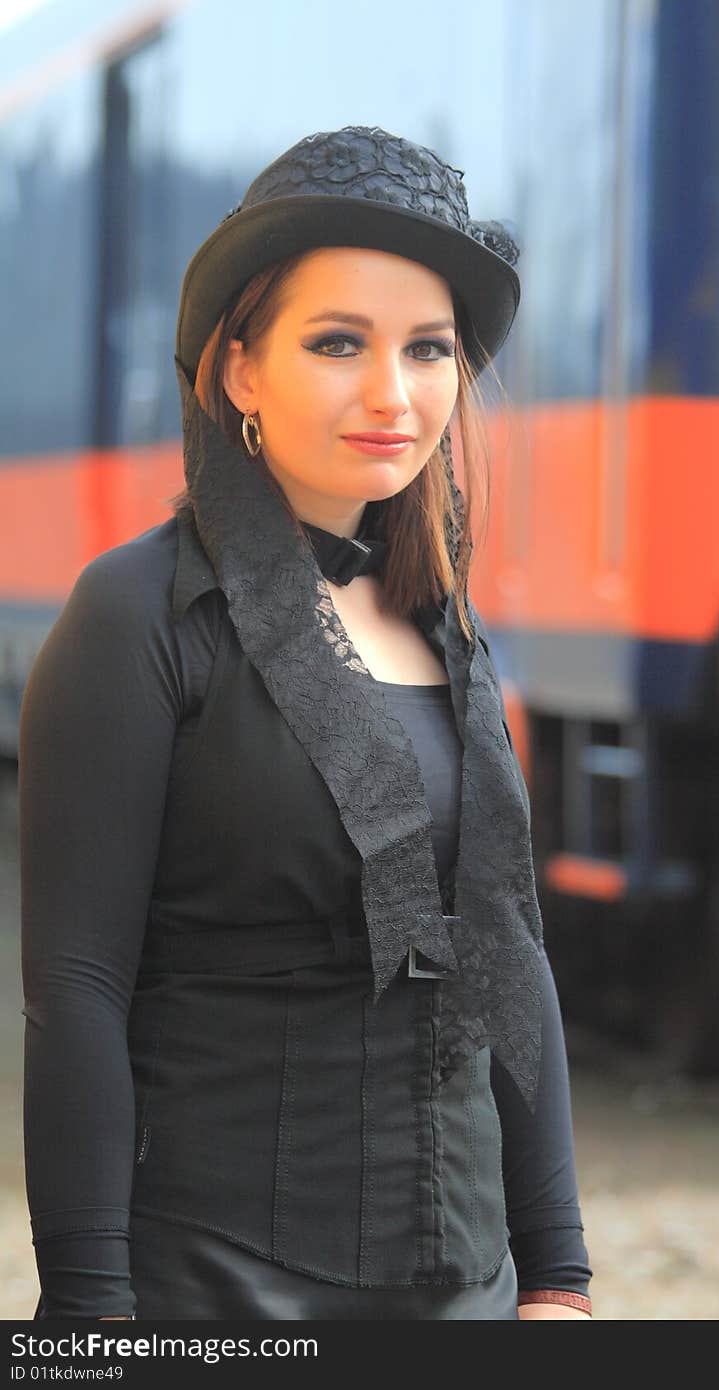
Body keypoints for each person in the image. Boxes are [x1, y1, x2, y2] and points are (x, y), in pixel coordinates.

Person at [19, 125, 593, 1320]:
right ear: (239, 368)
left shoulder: (447, 627)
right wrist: (89, 1311)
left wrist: (557, 1278)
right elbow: (75, 986)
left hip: (465, 1280)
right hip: (220, 1285)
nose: (393, 393)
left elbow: (507, 951)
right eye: (338, 342)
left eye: (427, 348)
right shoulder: (136, 615)